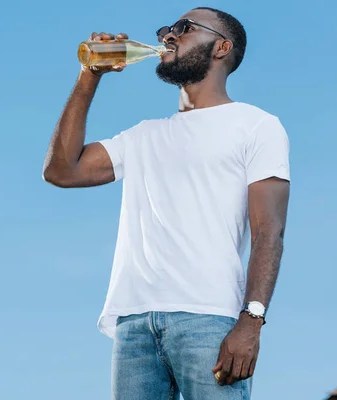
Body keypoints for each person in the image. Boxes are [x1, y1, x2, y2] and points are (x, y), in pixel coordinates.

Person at [42, 6, 290, 400]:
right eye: (167, 30)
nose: (168, 36)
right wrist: (90, 75)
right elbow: (61, 171)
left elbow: (269, 231)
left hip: (208, 319)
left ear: (222, 47)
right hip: (134, 325)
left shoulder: (256, 126)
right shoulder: (143, 136)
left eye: (184, 28)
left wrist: (252, 320)